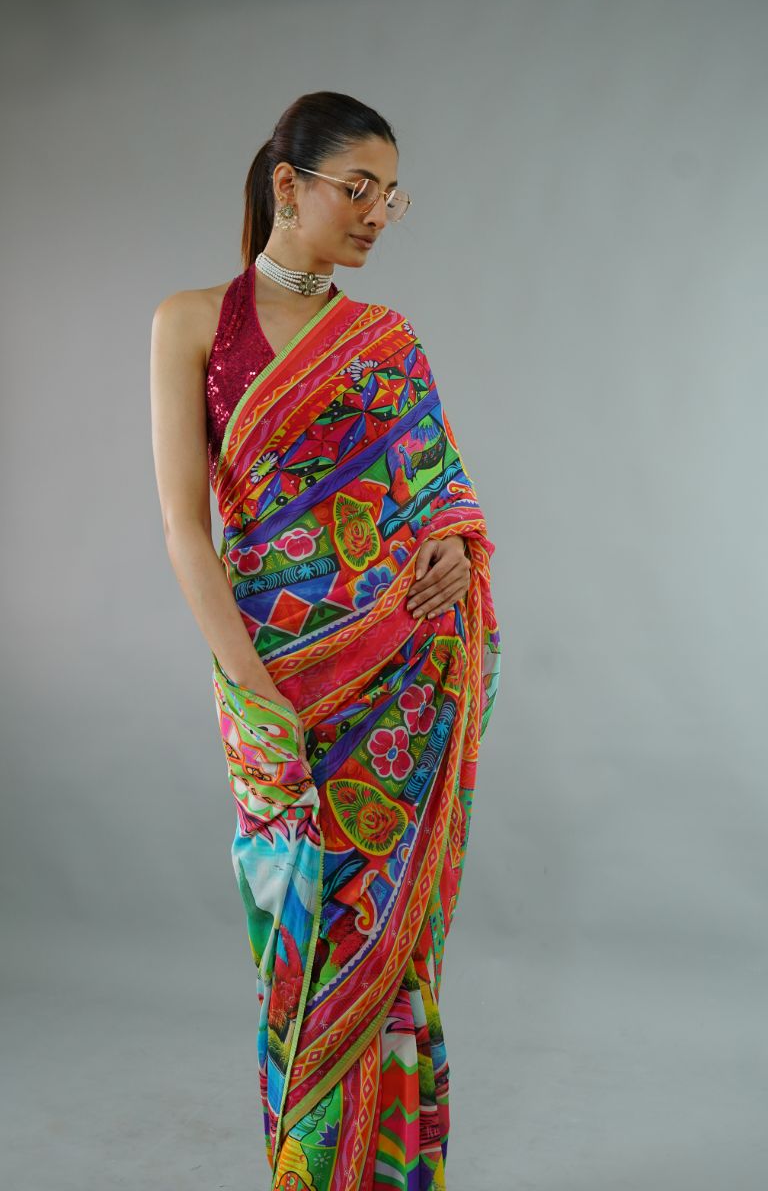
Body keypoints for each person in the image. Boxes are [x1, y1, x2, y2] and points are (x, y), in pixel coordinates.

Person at [150, 90, 501, 1191]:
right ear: (286, 186)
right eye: (359, 188)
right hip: (271, 682)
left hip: (400, 685)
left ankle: (387, 1173)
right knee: (299, 948)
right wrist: (251, 689)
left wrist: (456, 551)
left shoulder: (386, 341)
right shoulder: (192, 323)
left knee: (385, 944)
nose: (379, 214)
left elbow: (442, 493)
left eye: (391, 195)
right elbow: (185, 531)